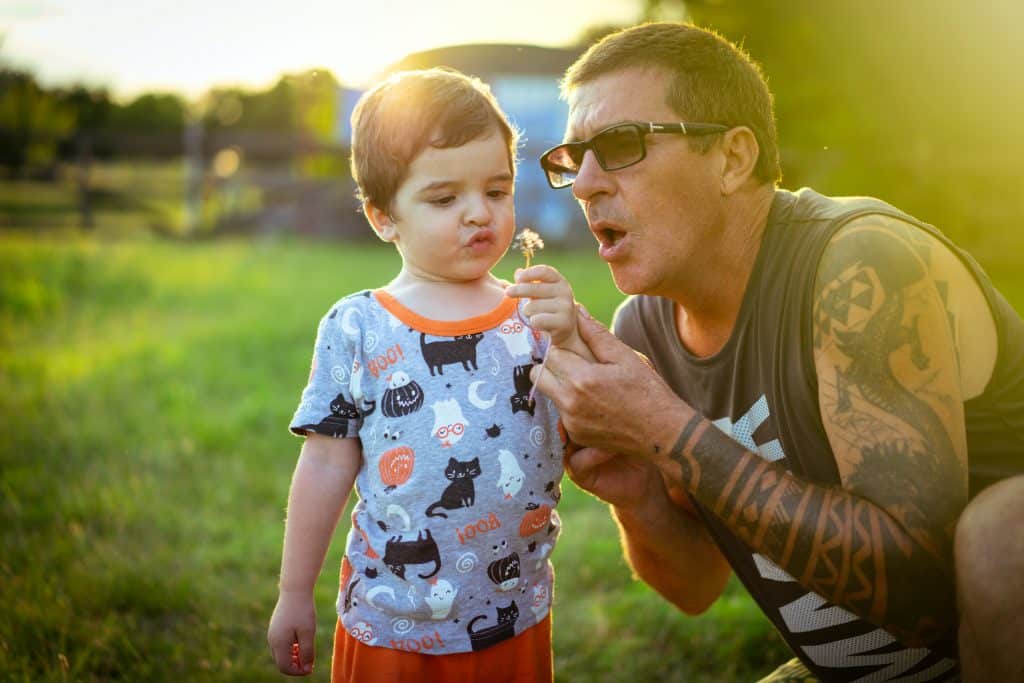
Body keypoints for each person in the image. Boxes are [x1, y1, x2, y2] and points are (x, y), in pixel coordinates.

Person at [511, 21, 1024, 683]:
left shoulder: (858, 268)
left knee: (1001, 532)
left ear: (732, 158)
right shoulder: (645, 327)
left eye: (619, 145)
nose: (583, 185)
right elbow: (693, 585)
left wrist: (663, 428)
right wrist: (640, 495)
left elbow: (926, 593)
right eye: (572, 158)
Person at [267, 68, 588, 682]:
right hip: (396, 626)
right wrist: (292, 591)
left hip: (513, 611)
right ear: (383, 216)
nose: (478, 214)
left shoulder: (535, 314)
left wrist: (571, 336)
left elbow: (587, 423)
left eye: (497, 190)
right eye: (444, 199)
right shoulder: (358, 326)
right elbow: (327, 464)